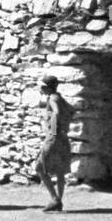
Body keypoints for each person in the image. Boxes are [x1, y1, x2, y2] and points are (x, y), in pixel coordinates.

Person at [36, 75, 73, 212]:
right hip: (62, 137)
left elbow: (56, 112)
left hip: (54, 137)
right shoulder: (59, 97)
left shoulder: (52, 99)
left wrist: (53, 128)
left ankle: (54, 199)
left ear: (46, 87)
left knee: (40, 168)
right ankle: (59, 201)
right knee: (59, 170)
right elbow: (72, 110)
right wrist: (65, 126)